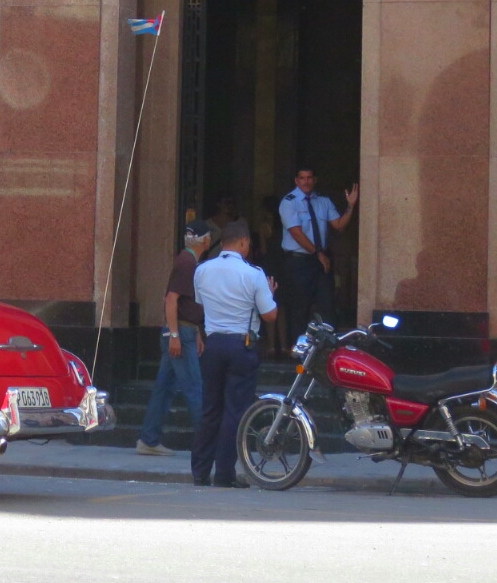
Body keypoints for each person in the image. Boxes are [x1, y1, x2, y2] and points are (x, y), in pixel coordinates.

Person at [190, 220, 277, 488]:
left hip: (213, 344)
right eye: (248, 243)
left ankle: (200, 471)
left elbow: (201, 304)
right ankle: (224, 473)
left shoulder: (202, 270)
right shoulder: (254, 274)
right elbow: (270, 315)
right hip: (241, 345)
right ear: (242, 242)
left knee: (210, 409)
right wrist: (270, 294)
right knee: (235, 411)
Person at [136, 221, 218, 457]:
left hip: (184, 331)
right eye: (209, 236)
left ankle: (149, 439)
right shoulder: (187, 262)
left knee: (164, 389)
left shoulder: (188, 261)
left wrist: (196, 332)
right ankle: (209, 444)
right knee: (194, 387)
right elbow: (171, 299)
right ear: (205, 240)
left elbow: (184, 303)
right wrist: (174, 335)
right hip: (180, 333)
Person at [278, 168, 357, 339]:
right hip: (299, 262)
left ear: (315, 179)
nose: (306, 182)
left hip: (320, 262)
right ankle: (298, 348)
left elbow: (339, 225)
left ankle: (328, 348)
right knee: (299, 308)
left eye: (309, 178)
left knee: (327, 306)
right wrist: (318, 254)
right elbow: (296, 233)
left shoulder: (323, 201)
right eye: (302, 178)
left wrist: (350, 206)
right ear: (296, 181)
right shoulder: (289, 202)